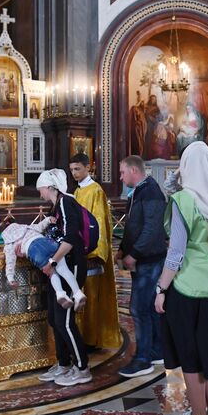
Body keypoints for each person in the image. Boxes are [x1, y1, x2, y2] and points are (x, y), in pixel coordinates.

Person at [155, 141, 208, 415]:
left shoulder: (184, 201)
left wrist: (161, 289)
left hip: (185, 288)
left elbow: (175, 255)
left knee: (189, 354)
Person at [35, 169, 92, 386]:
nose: (38, 192)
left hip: (72, 265)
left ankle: (82, 367)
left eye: (40, 188)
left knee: (65, 321)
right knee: (54, 317)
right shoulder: (56, 206)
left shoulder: (66, 203)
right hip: (60, 265)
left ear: (49, 187)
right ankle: (64, 363)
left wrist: (52, 262)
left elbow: (69, 241)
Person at [116, 156, 167, 377]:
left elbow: (152, 228)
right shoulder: (140, 190)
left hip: (149, 259)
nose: (120, 177)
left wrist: (134, 254)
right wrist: (123, 249)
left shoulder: (151, 192)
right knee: (148, 308)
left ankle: (143, 359)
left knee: (139, 309)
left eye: (122, 172)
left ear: (134, 170)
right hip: (143, 257)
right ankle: (156, 350)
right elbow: (133, 225)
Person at [69, 153, 122, 350]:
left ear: (87, 168)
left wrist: (95, 255)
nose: (74, 173)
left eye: (78, 169)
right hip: (78, 252)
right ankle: (82, 337)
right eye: (72, 170)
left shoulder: (95, 191)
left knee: (91, 295)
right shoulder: (77, 191)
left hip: (90, 254)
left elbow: (98, 223)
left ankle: (92, 339)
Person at [2, 220, 86, 310]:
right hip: (47, 243)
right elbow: (40, 226)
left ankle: (60, 294)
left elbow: (10, 261)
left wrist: (10, 277)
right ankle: (78, 293)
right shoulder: (27, 227)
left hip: (34, 251)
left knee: (51, 272)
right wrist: (48, 219)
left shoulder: (9, 243)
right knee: (64, 270)